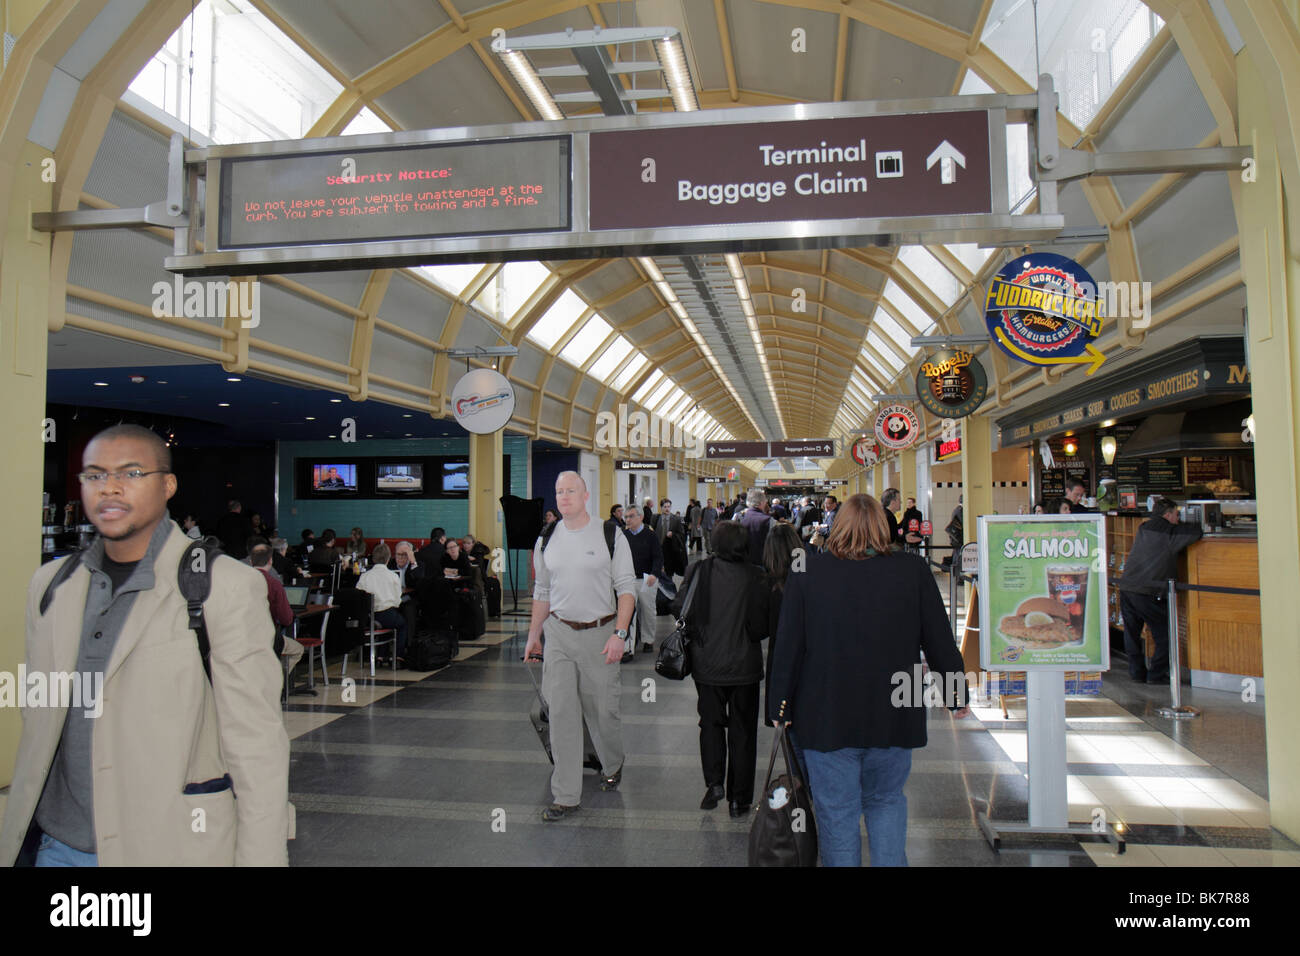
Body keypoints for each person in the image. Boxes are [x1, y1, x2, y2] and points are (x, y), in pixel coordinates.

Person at [0, 424, 289, 866]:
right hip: (58, 844)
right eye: (94, 475)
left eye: (131, 473)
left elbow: (257, 746)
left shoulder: (221, 586)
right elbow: (41, 713)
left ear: (168, 485)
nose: (110, 487)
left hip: (169, 844)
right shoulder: (52, 585)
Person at [770, 493, 970, 867]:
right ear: (884, 526)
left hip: (826, 717)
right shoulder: (913, 572)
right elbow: (940, 640)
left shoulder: (807, 574)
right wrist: (956, 695)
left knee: (836, 812)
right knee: (887, 801)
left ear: (837, 527)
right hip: (895, 715)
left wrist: (780, 707)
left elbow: (788, 648)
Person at [524, 472, 636, 821]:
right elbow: (542, 591)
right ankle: (566, 794)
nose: (564, 496)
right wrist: (534, 634)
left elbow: (627, 588)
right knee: (560, 713)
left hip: (601, 634)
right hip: (558, 633)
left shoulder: (609, 533)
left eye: (571, 490)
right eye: (559, 491)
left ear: (586, 494)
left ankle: (612, 763)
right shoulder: (547, 537)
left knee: (603, 711)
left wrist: (619, 634)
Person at [672, 521, 769, 817]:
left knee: (710, 724)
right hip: (745, 668)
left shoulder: (700, 570)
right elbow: (761, 626)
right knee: (743, 730)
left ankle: (714, 783)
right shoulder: (757, 575)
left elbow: (680, 607)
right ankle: (740, 800)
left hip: (707, 666)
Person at [1118, 498, 1203, 683]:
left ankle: (1137, 673)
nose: (1178, 519)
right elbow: (1197, 532)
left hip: (1127, 587)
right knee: (1166, 635)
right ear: (1167, 515)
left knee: (1132, 634)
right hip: (1149, 590)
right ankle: (1156, 675)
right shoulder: (1170, 533)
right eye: (1176, 515)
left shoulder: (1143, 528)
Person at [762, 523, 809, 781]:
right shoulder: (811, 578)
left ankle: (802, 788)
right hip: (811, 668)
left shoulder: (770, 587)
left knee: (792, 741)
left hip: (783, 671)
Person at [250, 538, 303, 680]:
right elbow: (286, 618)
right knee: (297, 650)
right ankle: (276, 681)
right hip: (268, 637)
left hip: (243, 636)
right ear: (270, 561)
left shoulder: (240, 581)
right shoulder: (274, 584)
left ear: (251, 561)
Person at [622, 505, 664, 656]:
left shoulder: (650, 535)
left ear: (640, 517)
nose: (628, 519)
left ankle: (648, 640)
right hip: (628, 580)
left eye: (631, 516)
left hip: (647, 579)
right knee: (628, 612)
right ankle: (629, 643)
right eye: (626, 517)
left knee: (647, 610)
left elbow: (658, 557)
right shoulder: (623, 535)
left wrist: (654, 574)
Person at [356, 543, 407, 662]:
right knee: (402, 624)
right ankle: (398, 656)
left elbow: (358, 595)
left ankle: (380, 655)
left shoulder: (365, 576)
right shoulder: (393, 576)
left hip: (369, 617)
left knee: (382, 625)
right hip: (387, 613)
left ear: (373, 558)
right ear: (389, 558)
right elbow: (397, 601)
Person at [740, 489, 775, 565]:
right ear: (761, 503)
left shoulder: (738, 517)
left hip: (743, 563)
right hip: (763, 562)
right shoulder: (769, 520)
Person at [655, 498, 687, 580]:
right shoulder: (655, 518)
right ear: (661, 508)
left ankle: (669, 590)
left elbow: (682, 535)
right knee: (658, 572)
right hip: (658, 549)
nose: (667, 509)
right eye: (665, 507)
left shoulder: (676, 519)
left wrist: (673, 534)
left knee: (669, 573)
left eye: (669, 507)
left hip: (670, 550)